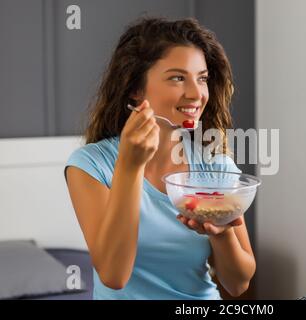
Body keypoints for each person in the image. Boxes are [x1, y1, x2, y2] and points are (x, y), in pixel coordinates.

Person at [64, 16, 256, 300]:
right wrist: (130, 166)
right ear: (135, 88)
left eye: (201, 78)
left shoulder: (215, 164)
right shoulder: (91, 165)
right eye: (178, 78)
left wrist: (220, 233)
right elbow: (114, 276)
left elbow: (239, 284)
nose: (196, 94)